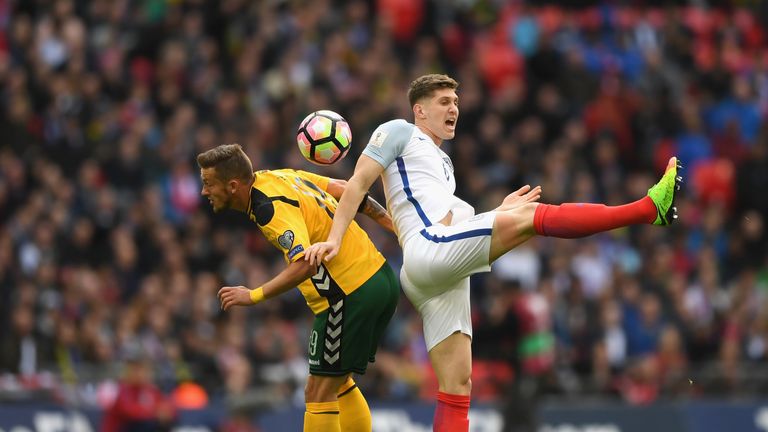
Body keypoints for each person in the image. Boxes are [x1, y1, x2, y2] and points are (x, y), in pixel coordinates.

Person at [304, 74, 682, 431]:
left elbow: (425, 220)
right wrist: (335, 239)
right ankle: (648, 210)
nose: (454, 109)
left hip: (433, 264)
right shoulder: (398, 130)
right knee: (532, 216)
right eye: (444, 102)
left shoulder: (443, 164)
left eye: (456, 101)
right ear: (419, 110)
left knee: (458, 385)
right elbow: (357, 185)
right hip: (429, 252)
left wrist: (494, 214)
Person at [197, 144, 400, 432]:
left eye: (208, 184)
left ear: (232, 185)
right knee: (339, 384)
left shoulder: (269, 210)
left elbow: (305, 264)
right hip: (380, 279)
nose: (204, 191)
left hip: (347, 296)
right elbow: (344, 188)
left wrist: (253, 295)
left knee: (317, 393)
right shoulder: (278, 176)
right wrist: (392, 224)